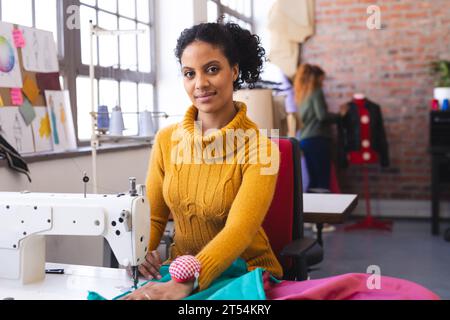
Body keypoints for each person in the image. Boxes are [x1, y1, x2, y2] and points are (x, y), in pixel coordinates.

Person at [123, 22, 282, 300]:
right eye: (189, 73)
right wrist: (139, 253)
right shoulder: (166, 140)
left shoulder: (261, 149)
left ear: (233, 71)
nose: (200, 84)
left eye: (212, 69)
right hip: (178, 271)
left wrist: (188, 281)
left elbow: (239, 230)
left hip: (245, 274)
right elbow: (155, 216)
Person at [293, 64, 348, 232]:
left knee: (313, 180)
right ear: (315, 79)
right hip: (318, 140)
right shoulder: (316, 92)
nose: (323, 83)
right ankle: (321, 222)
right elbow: (322, 116)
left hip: (305, 140)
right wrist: (341, 115)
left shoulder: (302, 95)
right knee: (322, 180)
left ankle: (310, 220)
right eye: (322, 79)